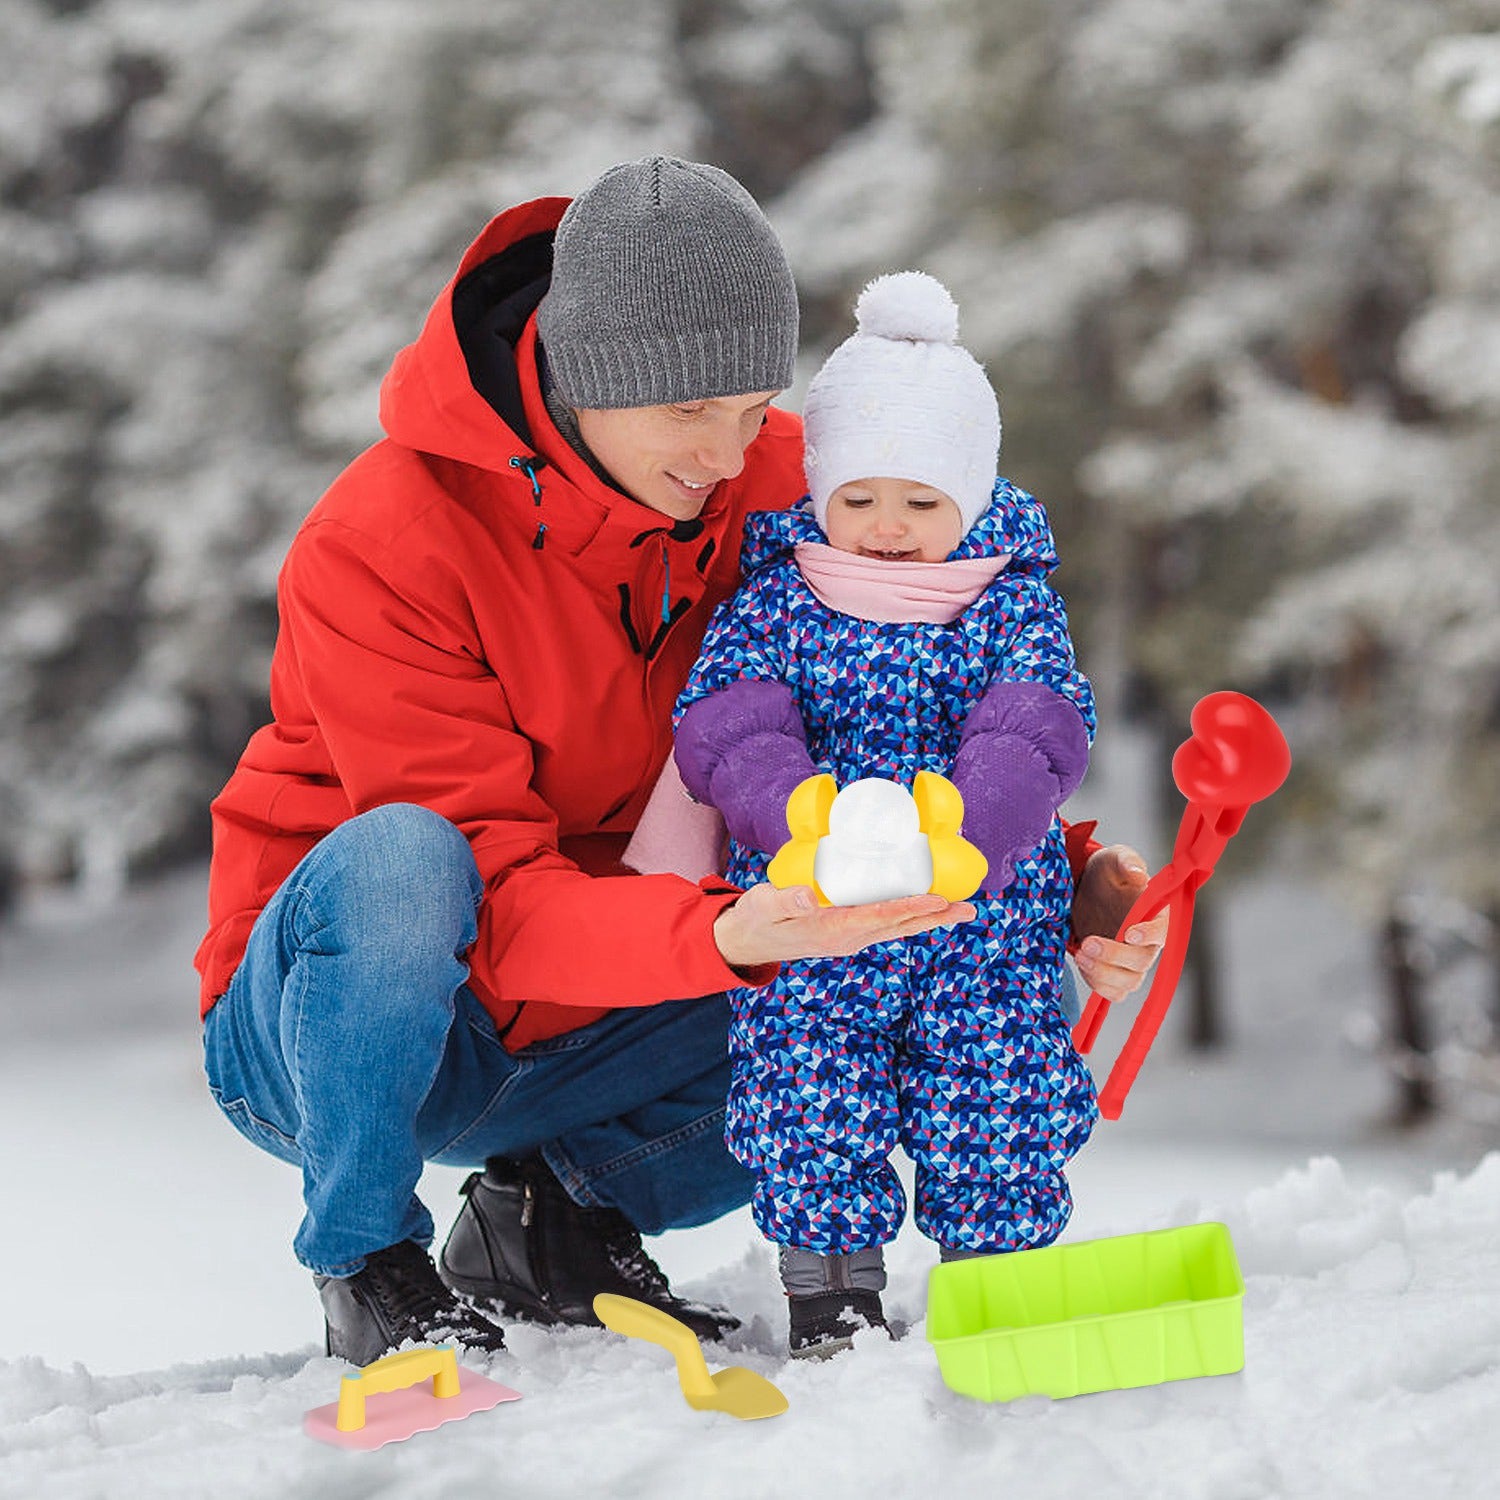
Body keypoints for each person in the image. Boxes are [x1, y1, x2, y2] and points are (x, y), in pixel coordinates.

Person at [195, 155, 1165, 1368]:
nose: (729, 450)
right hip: (355, 1027)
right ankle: (365, 1256)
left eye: (757, 406)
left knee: (849, 1004)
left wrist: (1043, 881)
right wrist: (718, 937)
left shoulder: (797, 491)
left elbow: (902, 718)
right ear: (590, 379)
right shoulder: (386, 543)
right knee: (407, 863)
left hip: (618, 999)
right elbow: (484, 894)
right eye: (691, 411)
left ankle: (554, 1217)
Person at [671, 271, 1099, 1355]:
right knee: (809, 1094)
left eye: (921, 502)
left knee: (997, 1096)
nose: (888, 530)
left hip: (979, 925)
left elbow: (1037, 728)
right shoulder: (776, 597)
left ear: (972, 493)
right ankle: (830, 1290)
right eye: (858, 499)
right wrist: (790, 811)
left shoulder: (1008, 599)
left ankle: (997, 1287)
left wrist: (975, 829)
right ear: (819, 488)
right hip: (817, 915)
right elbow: (728, 723)